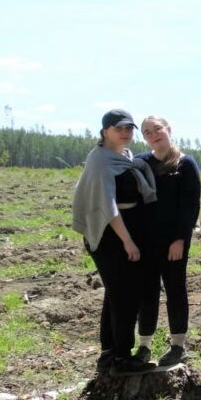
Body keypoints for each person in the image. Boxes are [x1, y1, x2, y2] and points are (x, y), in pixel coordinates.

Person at [72, 109, 158, 376]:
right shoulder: (100, 161)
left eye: (129, 128)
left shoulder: (124, 157)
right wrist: (128, 242)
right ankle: (122, 358)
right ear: (105, 131)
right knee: (126, 295)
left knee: (115, 293)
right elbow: (108, 208)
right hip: (111, 235)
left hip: (124, 232)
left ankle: (109, 352)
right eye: (119, 128)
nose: (125, 133)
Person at [135, 115, 201, 367]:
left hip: (174, 243)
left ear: (169, 129)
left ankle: (177, 345)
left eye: (157, 129)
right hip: (146, 242)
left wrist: (180, 239)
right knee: (147, 293)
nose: (153, 135)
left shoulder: (185, 164)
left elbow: (189, 207)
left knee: (175, 290)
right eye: (147, 132)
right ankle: (144, 346)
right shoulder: (141, 162)